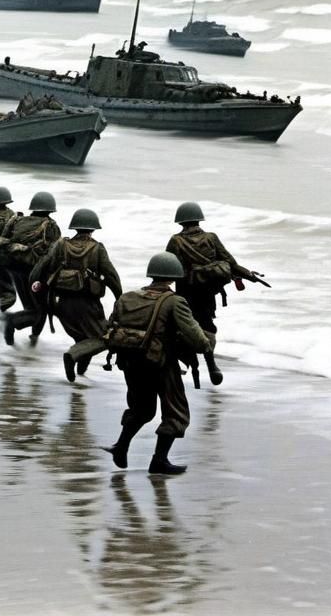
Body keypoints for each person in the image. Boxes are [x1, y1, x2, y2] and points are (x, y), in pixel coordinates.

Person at [102, 252, 212, 475]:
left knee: (141, 409)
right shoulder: (174, 301)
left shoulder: (127, 297)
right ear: (173, 277)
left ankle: (121, 446)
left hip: (130, 362)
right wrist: (204, 345)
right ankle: (159, 461)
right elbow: (198, 340)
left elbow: (111, 325)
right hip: (161, 365)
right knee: (176, 413)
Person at [165, 201, 255, 385]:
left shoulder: (176, 241)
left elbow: (168, 267)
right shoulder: (211, 238)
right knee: (207, 326)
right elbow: (231, 263)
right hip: (207, 294)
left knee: (179, 326)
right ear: (199, 219)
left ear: (180, 221)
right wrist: (249, 274)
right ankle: (211, 365)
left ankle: (183, 362)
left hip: (185, 293)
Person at [30, 208, 122, 382]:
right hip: (88, 305)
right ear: (93, 228)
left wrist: (35, 287)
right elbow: (111, 277)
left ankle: (80, 372)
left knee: (82, 338)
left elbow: (40, 268)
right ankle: (72, 356)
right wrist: (120, 298)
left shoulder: (61, 244)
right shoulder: (97, 249)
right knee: (104, 337)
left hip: (61, 303)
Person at [0, 191, 61, 345]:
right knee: (39, 310)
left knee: (33, 307)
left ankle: (32, 340)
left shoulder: (19, 220)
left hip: (15, 270)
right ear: (50, 209)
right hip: (36, 274)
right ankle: (12, 322)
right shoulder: (51, 226)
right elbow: (57, 253)